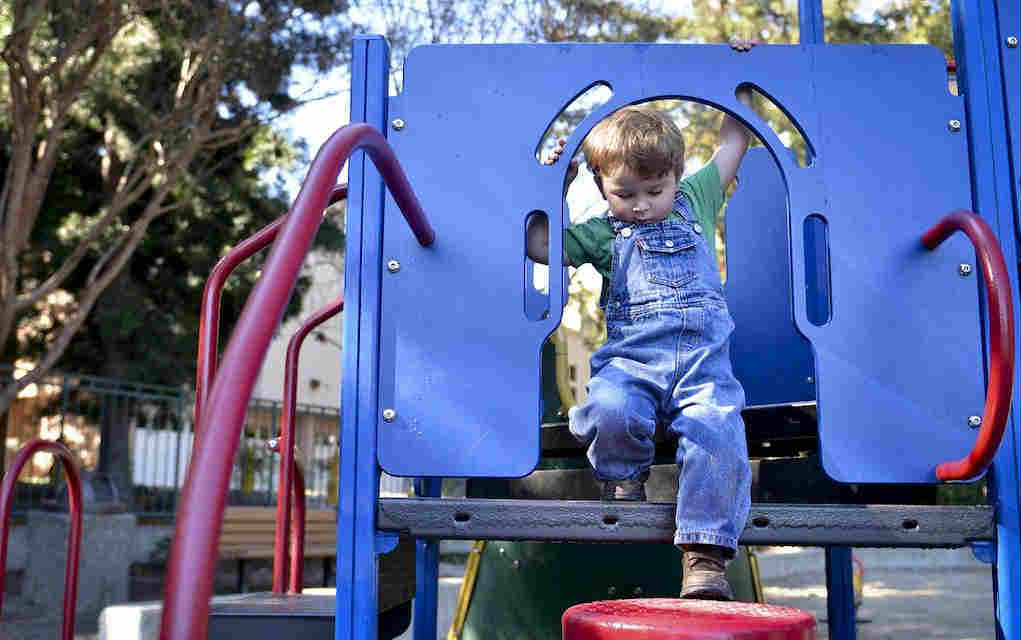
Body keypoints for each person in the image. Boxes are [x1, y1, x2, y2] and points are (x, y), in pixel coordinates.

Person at [526, 36, 756, 601]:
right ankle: (624, 479)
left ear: (677, 176)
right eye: (625, 193)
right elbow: (540, 245)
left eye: (655, 190)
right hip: (632, 364)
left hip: (703, 367)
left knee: (719, 436)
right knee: (606, 408)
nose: (642, 204)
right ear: (601, 187)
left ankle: (705, 557)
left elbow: (734, 139)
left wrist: (742, 75)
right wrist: (551, 186)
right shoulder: (604, 233)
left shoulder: (698, 197)